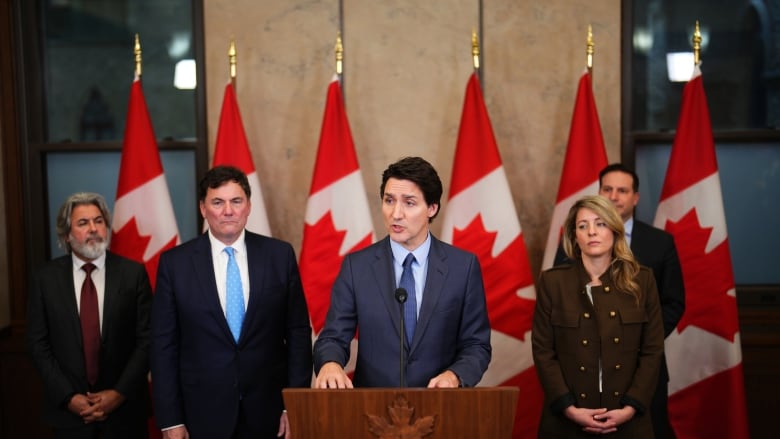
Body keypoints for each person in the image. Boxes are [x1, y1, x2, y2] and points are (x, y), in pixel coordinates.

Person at [150, 166, 312, 439]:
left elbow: (297, 333)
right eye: (217, 202)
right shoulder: (175, 264)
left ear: (248, 206)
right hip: (200, 415)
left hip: (269, 414)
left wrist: (292, 406)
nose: (228, 211)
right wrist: (170, 420)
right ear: (203, 208)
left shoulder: (279, 256)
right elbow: (163, 345)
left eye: (236, 201)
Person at [313, 156, 491, 389]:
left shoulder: (462, 267)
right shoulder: (357, 267)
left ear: (432, 208)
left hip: (441, 406)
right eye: (389, 201)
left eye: (409, 203)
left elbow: (477, 345)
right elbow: (333, 337)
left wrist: (455, 376)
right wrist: (330, 363)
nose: (396, 214)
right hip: (373, 409)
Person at [555, 163, 685, 438]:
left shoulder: (660, 243)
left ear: (635, 197)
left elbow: (673, 302)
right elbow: (561, 302)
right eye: (607, 189)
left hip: (643, 369)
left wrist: (640, 338)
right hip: (583, 372)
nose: (613, 196)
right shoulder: (575, 241)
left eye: (622, 190)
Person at [533, 195, 664, 438]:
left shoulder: (642, 281)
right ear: (574, 236)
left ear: (615, 230)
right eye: (583, 226)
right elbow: (543, 352)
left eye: (600, 223)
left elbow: (652, 350)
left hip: (628, 421)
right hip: (566, 422)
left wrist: (631, 406)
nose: (592, 232)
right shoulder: (553, 282)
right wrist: (568, 408)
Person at [27, 192, 152, 438]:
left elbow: (148, 339)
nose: (93, 229)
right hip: (69, 416)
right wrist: (68, 397)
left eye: (99, 221)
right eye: (83, 223)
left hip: (125, 414)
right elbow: (37, 344)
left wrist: (118, 394)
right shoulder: (45, 279)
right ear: (66, 234)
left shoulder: (133, 274)